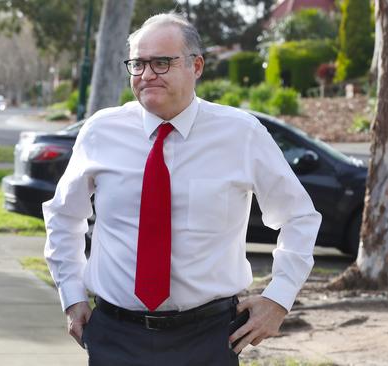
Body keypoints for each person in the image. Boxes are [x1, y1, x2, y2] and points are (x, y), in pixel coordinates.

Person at [43, 12, 321, 365]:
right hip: (116, 336)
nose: (147, 75)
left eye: (161, 62)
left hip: (208, 338)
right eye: (138, 64)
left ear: (197, 66)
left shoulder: (241, 134)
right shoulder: (101, 131)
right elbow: (63, 216)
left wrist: (279, 298)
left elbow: (299, 217)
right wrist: (72, 295)